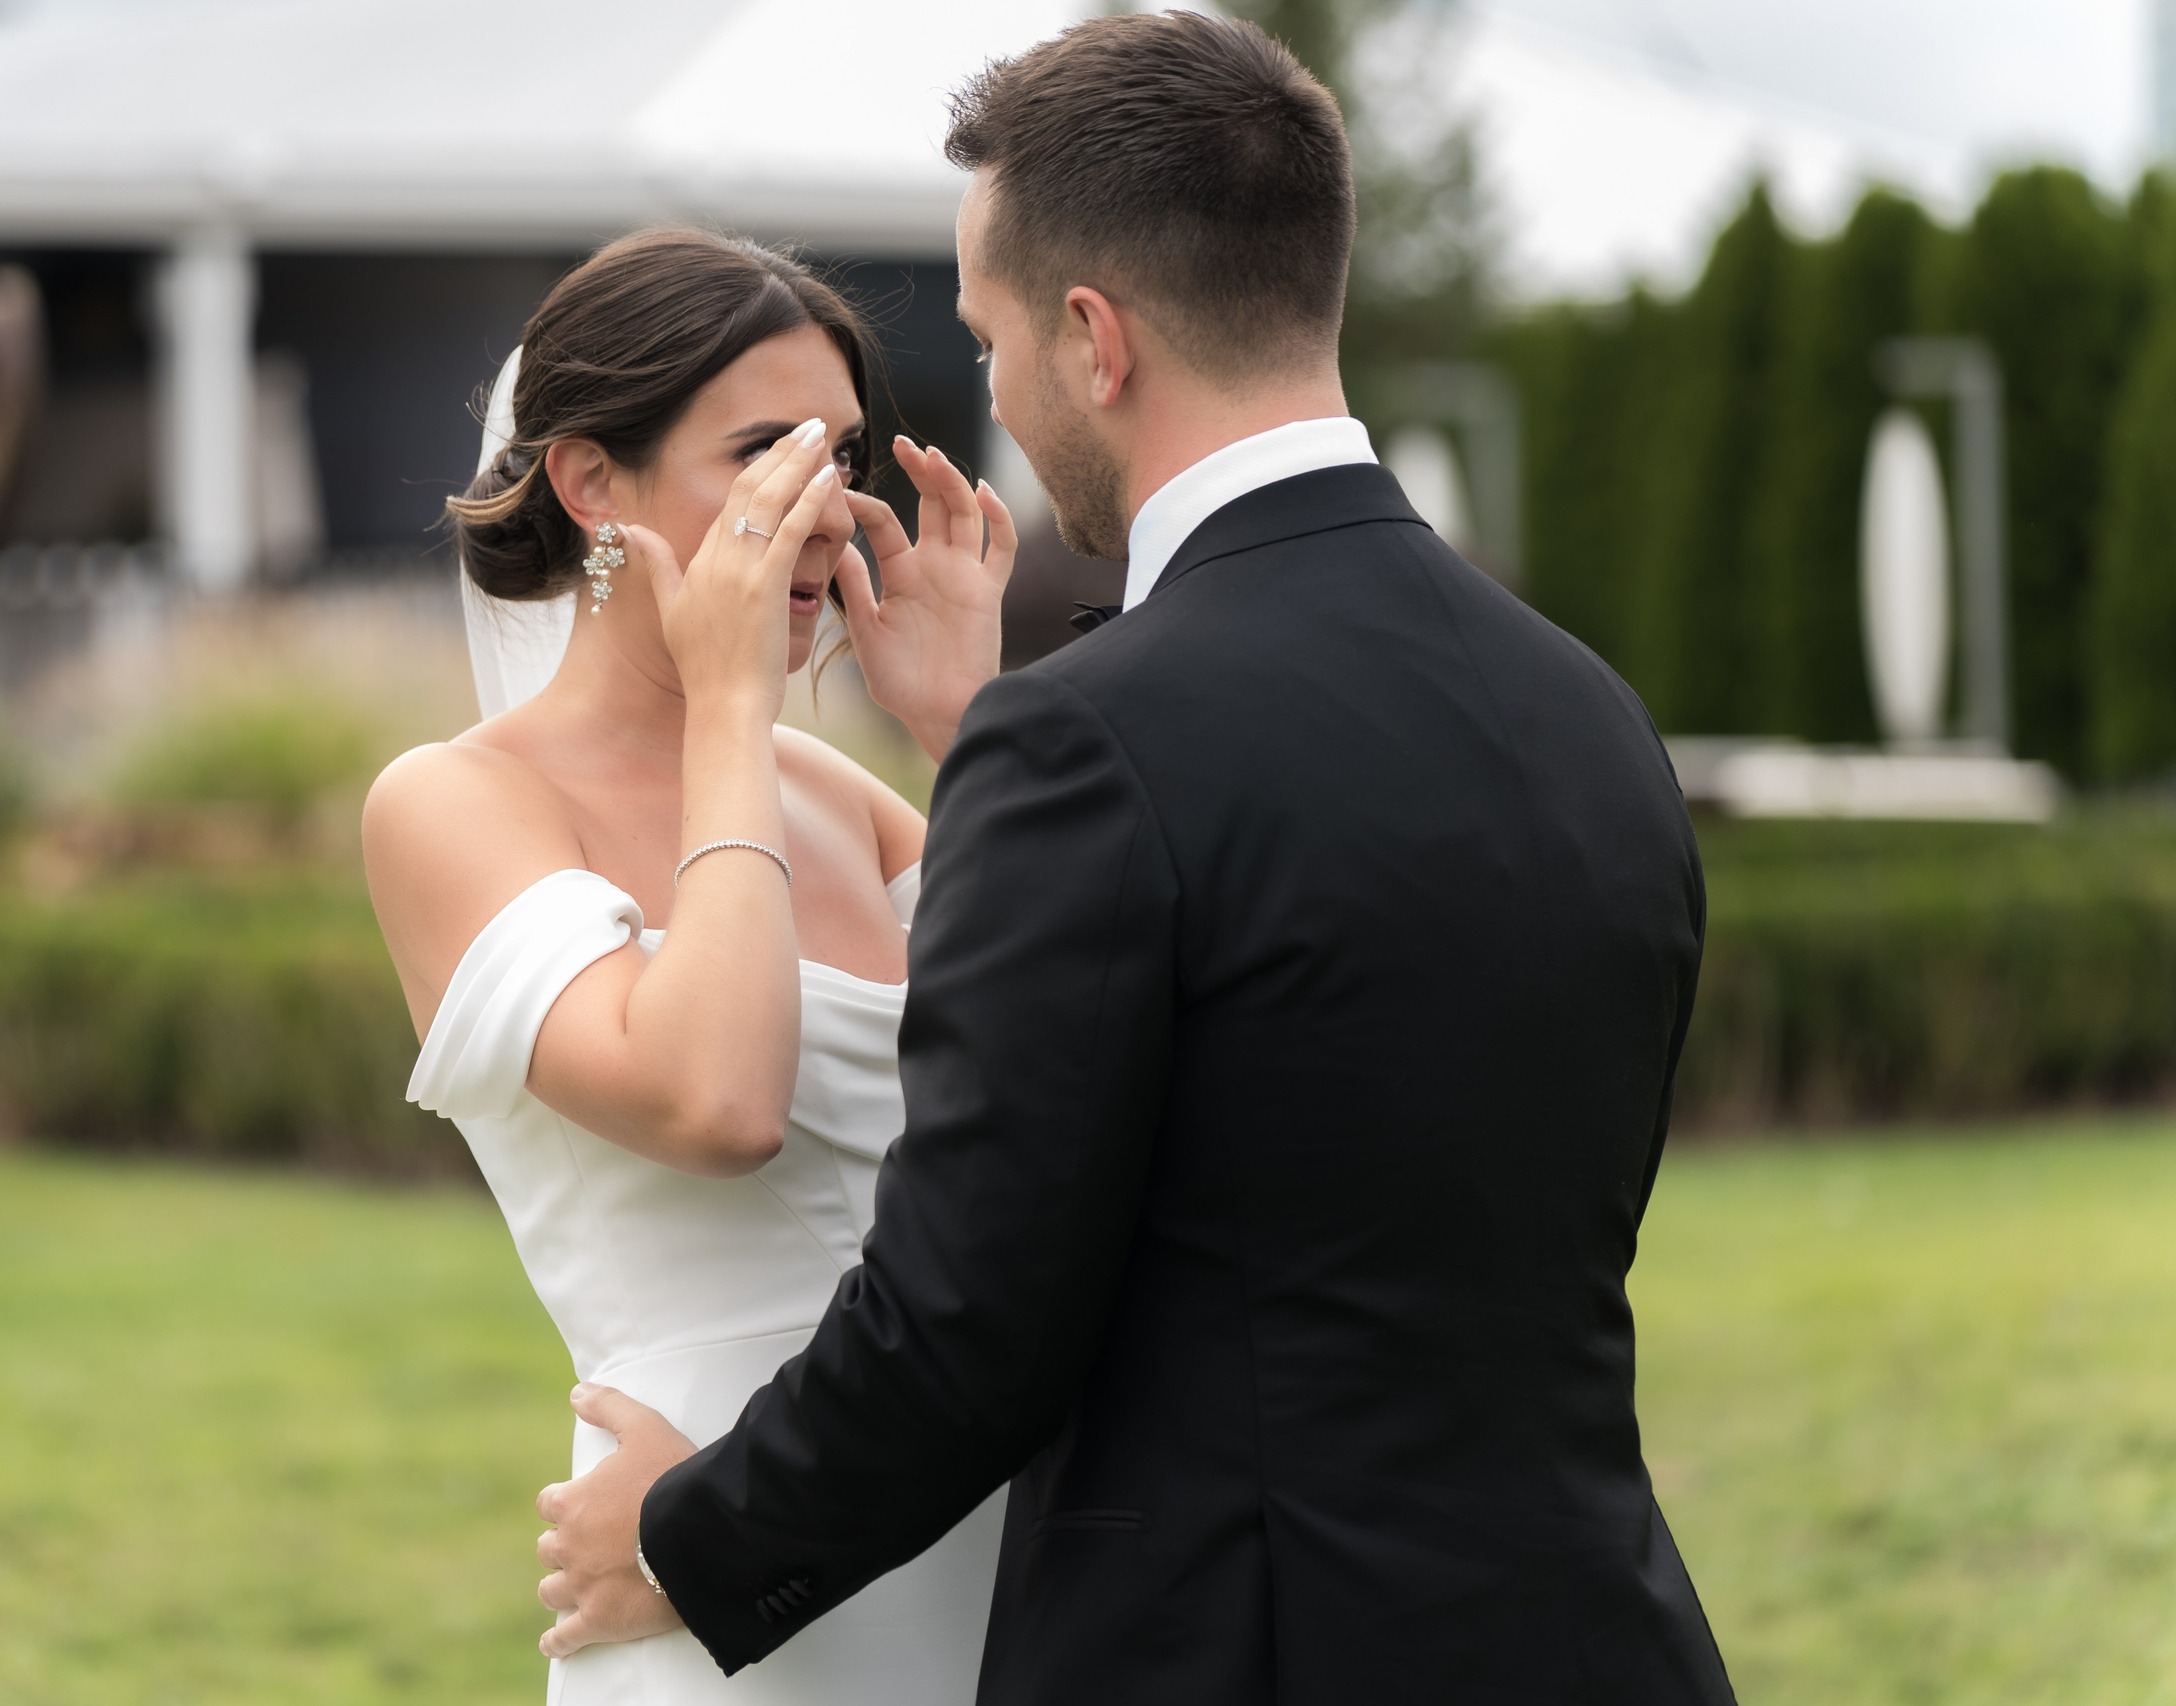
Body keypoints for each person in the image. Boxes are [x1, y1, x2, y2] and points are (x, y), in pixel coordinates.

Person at [531, 14, 1737, 1704]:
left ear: (1095, 339)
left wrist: (680, 1535)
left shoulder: (1089, 739)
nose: (997, 393)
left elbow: (966, 1328)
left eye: (991, 337)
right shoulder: (1590, 714)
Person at [361, 229, 1018, 1705]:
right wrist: (729, 705)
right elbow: (720, 1101)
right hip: (711, 1579)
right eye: (763, 453)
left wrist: (975, 732)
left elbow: (1081, 1075)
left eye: (838, 455)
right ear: (593, 486)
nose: (825, 508)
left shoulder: (852, 801)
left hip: (987, 1541)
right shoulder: (456, 804)